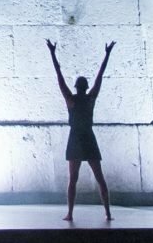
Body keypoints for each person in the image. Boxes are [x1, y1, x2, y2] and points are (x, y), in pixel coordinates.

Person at [47, 39, 114, 221]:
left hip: (76, 139)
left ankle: (70, 213)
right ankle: (107, 213)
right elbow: (100, 77)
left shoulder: (72, 100)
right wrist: (107, 54)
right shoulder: (89, 99)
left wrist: (53, 53)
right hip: (86, 138)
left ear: (77, 87)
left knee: (73, 180)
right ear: (85, 87)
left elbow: (59, 78)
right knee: (99, 178)